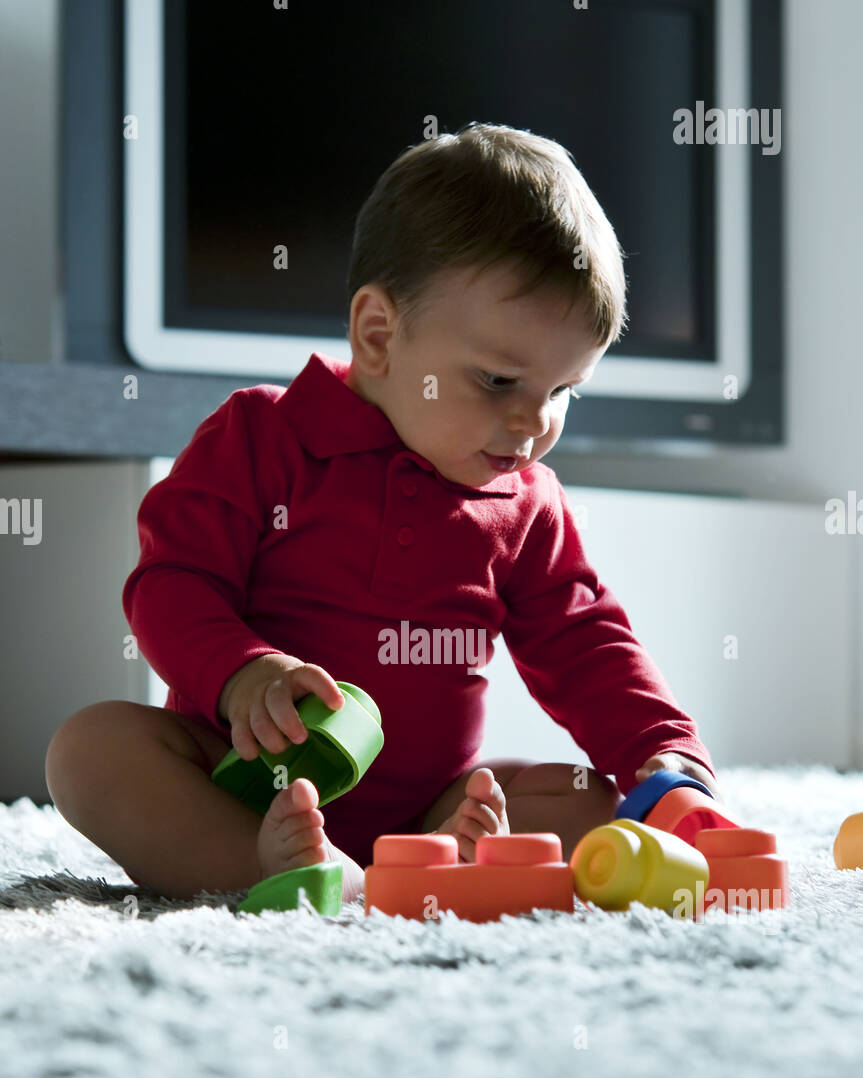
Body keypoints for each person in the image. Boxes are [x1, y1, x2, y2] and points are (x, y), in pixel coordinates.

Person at [45, 122, 717, 903]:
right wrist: (242, 676)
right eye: (499, 382)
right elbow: (172, 583)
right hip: (244, 780)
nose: (533, 424)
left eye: (562, 391)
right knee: (89, 750)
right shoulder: (260, 436)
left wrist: (666, 758)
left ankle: (415, 864)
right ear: (378, 334)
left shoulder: (527, 502)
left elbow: (586, 645)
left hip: (427, 806)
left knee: (586, 800)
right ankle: (265, 868)